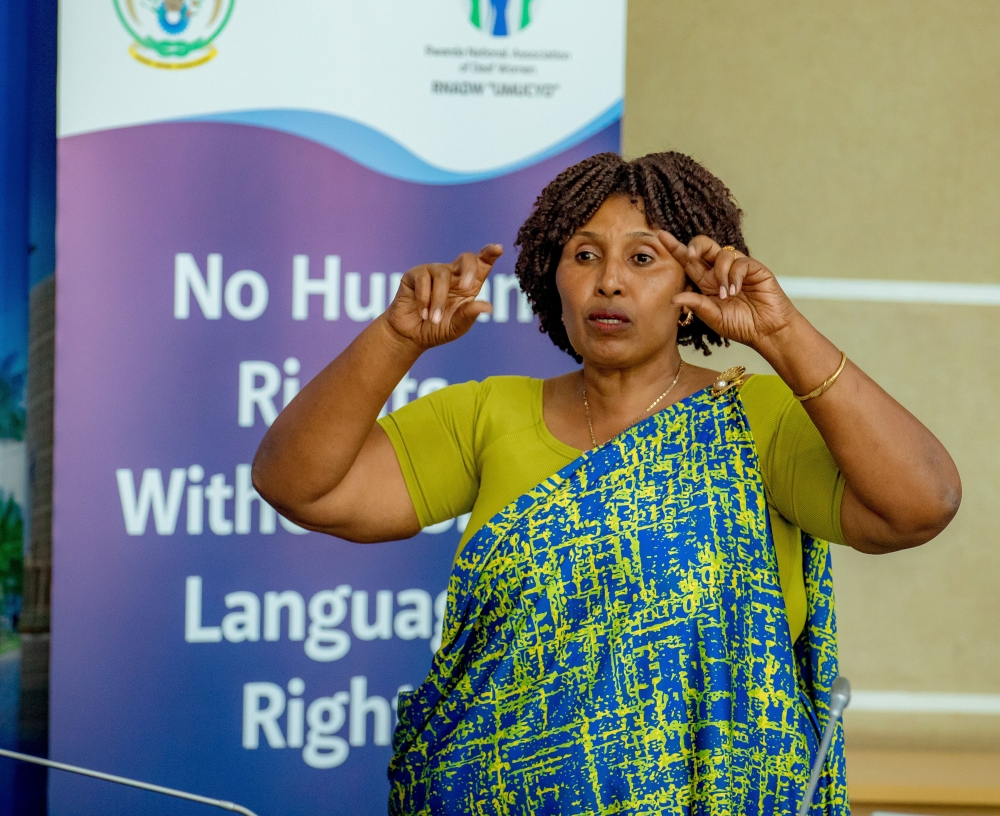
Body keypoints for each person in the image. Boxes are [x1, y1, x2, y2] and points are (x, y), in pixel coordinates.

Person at [253, 151, 960, 815]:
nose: (609, 280)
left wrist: (782, 333)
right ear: (551, 278)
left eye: (643, 257)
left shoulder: (757, 420)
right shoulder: (489, 415)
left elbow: (920, 505)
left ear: (694, 282)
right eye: (583, 254)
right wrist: (396, 336)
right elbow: (300, 485)